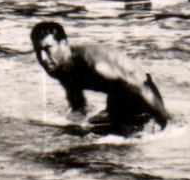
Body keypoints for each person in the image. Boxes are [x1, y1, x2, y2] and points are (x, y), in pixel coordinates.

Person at [29, 21, 169, 132]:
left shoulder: (96, 66)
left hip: (140, 92)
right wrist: (76, 117)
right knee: (80, 131)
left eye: (47, 48)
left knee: (108, 139)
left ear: (64, 44)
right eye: (37, 51)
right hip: (117, 96)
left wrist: (164, 124)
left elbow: (141, 87)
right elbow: (74, 92)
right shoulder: (56, 65)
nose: (43, 58)